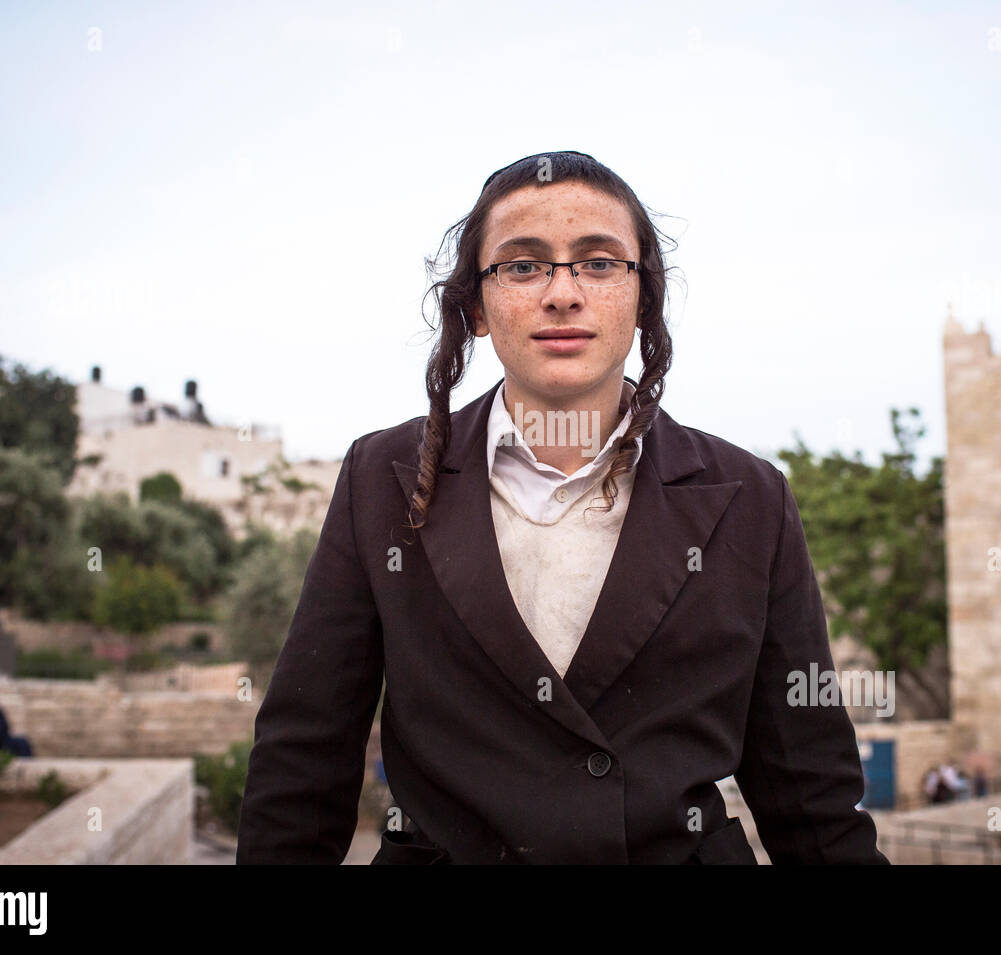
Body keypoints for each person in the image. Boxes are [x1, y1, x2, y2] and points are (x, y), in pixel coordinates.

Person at [236, 150, 888, 865]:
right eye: (523, 265)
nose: (562, 293)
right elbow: (304, 759)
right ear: (478, 308)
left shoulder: (752, 497)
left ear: (643, 297)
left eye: (599, 262)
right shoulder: (377, 478)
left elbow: (811, 792)